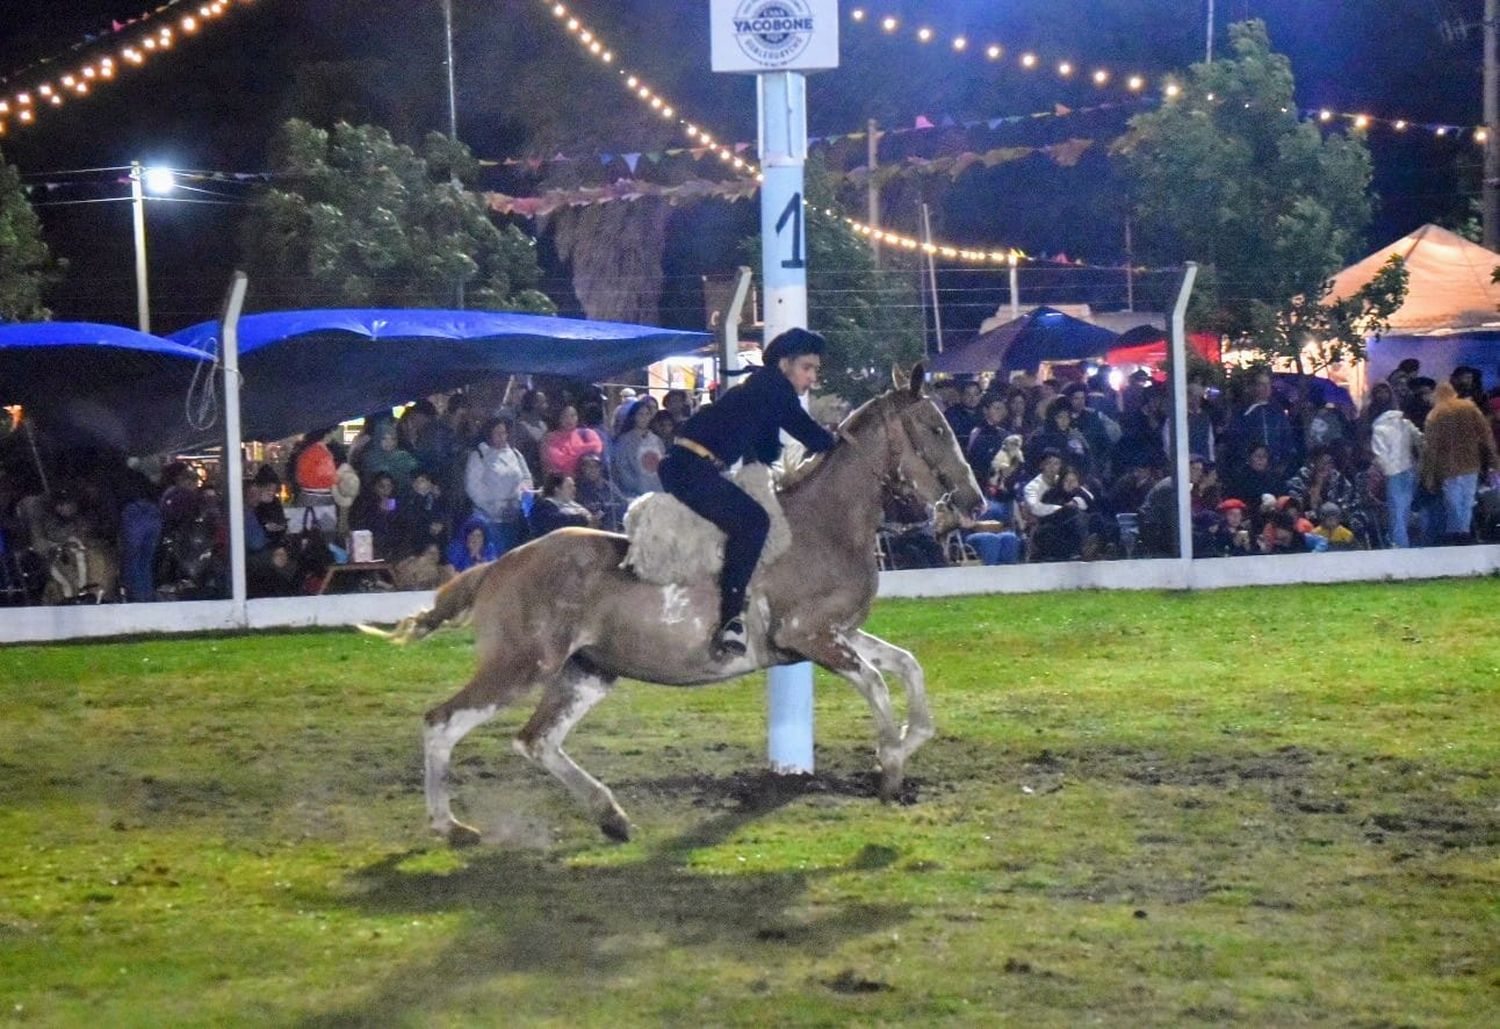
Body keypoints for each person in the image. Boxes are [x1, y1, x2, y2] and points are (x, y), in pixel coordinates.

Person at [658, 327, 838, 657]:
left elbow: (768, 448)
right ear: (785, 364)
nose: (812, 378)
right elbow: (807, 431)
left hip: (689, 466)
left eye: (815, 370)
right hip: (691, 469)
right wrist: (838, 442)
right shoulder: (774, 387)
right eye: (807, 368)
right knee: (755, 522)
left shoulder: (764, 391)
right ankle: (731, 618)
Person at [1419, 381, 1499, 542]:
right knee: (1467, 501)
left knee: (1453, 502)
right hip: (1471, 463)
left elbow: (1430, 448)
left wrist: (1427, 475)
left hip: (1448, 466)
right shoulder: (1469, 407)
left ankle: (1456, 535)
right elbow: (1486, 435)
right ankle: (1464, 533)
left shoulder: (1436, 413)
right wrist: (1493, 461)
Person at [464, 417, 534, 554]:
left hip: (513, 516)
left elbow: (526, 477)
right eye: (497, 433)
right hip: (490, 518)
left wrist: (521, 499)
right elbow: (473, 487)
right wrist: (493, 506)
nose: (502, 437)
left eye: (504, 433)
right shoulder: (479, 455)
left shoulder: (515, 453)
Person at [1369, 391, 1423, 548]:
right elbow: (1420, 440)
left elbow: (1379, 453)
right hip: (1409, 469)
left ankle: (1399, 544)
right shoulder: (1405, 424)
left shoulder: (1379, 427)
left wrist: (1388, 470)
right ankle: (1402, 542)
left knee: (1396, 510)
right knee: (1405, 510)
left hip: (1394, 474)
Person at [611, 397, 665, 499]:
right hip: (634, 494)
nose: (644, 418)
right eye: (640, 414)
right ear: (634, 416)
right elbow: (622, 468)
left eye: (647, 414)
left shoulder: (657, 440)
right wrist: (637, 486)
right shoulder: (624, 441)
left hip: (657, 493)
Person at [541, 404, 605, 479]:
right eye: (565, 416)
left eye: (573, 415)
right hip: (561, 481)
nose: (569, 419)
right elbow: (561, 462)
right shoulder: (549, 438)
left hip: (583, 479)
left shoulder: (584, 433)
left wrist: (573, 453)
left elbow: (597, 447)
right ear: (558, 418)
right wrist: (582, 451)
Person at [528, 473, 595, 537]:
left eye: (574, 486)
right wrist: (581, 518)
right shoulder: (542, 506)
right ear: (557, 489)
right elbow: (555, 523)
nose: (574, 489)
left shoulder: (574, 505)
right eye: (569, 486)